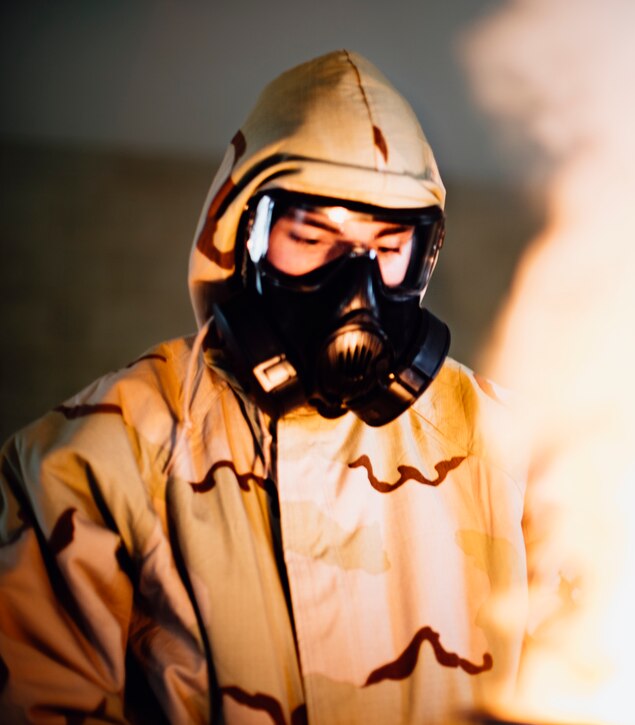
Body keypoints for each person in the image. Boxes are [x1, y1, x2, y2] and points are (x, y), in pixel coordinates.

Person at [0, 50, 527, 724]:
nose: (356, 293)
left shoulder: (511, 456)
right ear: (238, 238)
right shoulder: (90, 465)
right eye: (312, 235)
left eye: (390, 246)